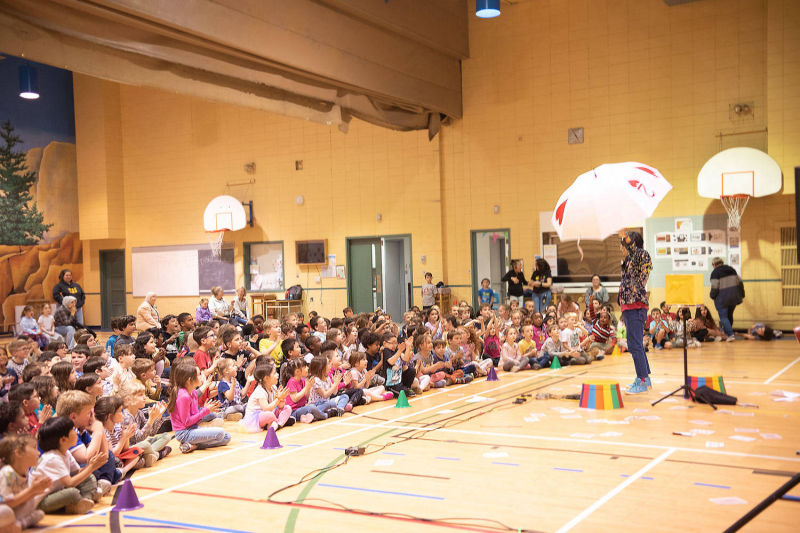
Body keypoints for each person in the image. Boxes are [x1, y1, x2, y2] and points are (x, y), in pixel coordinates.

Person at [168, 359, 230, 454]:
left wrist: (207, 410)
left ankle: (194, 445)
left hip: (193, 427)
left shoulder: (192, 392)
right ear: (189, 380)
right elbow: (187, 422)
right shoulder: (183, 396)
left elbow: (195, 415)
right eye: (198, 375)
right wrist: (205, 411)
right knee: (220, 433)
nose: (202, 376)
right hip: (184, 433)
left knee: (227, 437)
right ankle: (194, 443)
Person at [617, 229, 653, 394]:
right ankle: (644, 377)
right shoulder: (627, 260)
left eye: (624, 243)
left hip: (636, 306)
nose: (621, 247)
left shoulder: (641, 255)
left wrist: (625, 236)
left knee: (635, 345)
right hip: (628, 307)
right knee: (635, 343)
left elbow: (634, 252)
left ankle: (643, 380)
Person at [709, 257, 745, 342]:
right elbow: (740, 282)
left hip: (722, 299)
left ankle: (730, 335)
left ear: (714, 265)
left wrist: (712, 295)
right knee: (729, 316)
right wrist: (742, 294)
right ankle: (726, 334)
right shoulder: (731, 269)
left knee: (723, 317)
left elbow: (715, 287)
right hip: (734, 298)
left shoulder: (715, 272)